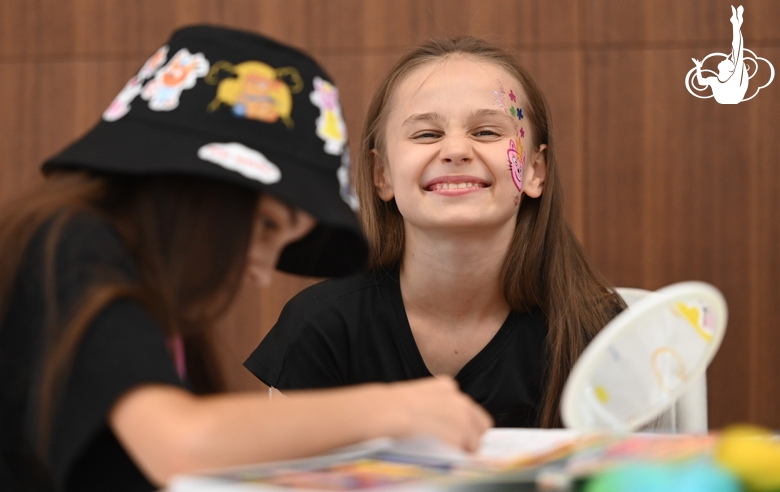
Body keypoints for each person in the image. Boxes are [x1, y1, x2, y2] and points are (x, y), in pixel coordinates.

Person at [0, 27, 492, 492]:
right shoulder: (67, 246)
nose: (261, 270)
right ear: (198, 188)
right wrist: (394, 409)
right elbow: (181, 442)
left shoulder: (139, 288)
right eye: (268, 228)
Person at [246, 37, 625, 429]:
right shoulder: (321, 327)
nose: (456, 150)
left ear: (535, 171)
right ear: (383, 175)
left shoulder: (599, 331)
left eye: (487, 132)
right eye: (426, 134)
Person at [692, 5, 748, 104]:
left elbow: (738, 49)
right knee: (737, 51)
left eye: (727, 61)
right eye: (728, 60)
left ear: (729, 69)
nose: (725, 59)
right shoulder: (718, 79)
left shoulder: (731, 78)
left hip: (732, 96)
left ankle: (736, 23)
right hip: (730, 97)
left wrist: (698, 67)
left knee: (737, 50)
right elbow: (701, 82)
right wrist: (698, 67)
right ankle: (736, 23)